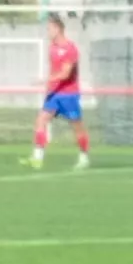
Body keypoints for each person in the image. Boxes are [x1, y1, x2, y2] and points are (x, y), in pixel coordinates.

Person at [29, 14, 91, 170]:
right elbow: (54, 70)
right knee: (41, 120)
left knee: (77, 126)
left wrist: (44, 80)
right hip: (54, 94)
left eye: (49, 29)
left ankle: (84, 156)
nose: (48, 32)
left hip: (69, 95)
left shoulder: (70, 49)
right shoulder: (52, 48)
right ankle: (37, 158)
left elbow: (65, 74)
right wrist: (49, 87)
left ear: (58, 28)